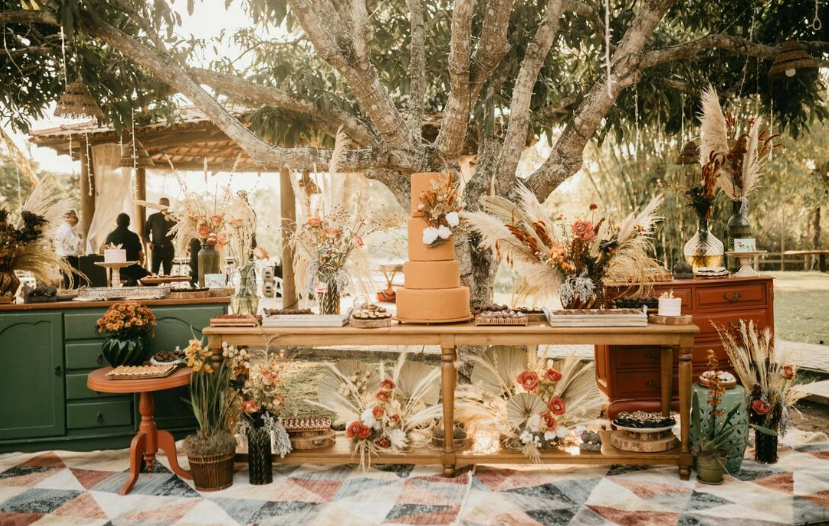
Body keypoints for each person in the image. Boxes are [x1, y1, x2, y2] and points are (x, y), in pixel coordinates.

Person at [103, 213, 149, 286]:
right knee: (152, 280)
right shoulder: (133, 236)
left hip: (114, 270)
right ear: (129, 223)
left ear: (117, 222)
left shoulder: (110, 236)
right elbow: (142, 255)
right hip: (133, 269)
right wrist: (141, 267)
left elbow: (105, 253)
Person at [143, 197, 177, 275]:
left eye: (165, 204)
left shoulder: (173, 218)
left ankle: (167, 286)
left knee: (167, 274)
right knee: (154, 273)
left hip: (169, 248)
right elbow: (145, 233)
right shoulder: (153, 217)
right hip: (156, 249)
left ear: (168, 205)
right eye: (161, 204)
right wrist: (149, 242)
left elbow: (177, 233)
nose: (163, 206)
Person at [55, 210, 82, 289]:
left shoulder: (60, 229)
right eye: (74, 216)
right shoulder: (67, 229)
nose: (76, 218)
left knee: (69, 282)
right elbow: (75, 243)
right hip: (69, 259)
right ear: (68, 217)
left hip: (63, 258)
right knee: (72, 283)